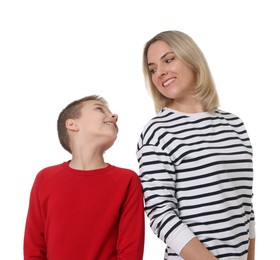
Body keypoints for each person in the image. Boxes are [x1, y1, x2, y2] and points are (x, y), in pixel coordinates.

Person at [136, 30, 255, 260]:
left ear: (191, 58)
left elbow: (246, 209)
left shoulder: (234, 125)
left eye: (168, 60)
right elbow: (161, 214)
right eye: (152, 69)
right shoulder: (158, 131)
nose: (160, 72)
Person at [24, 95, 145, 260]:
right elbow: (34, 249)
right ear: (72, 124)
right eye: (99, 109)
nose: (114, 116)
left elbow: (130, 253)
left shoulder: (127, 180)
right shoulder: (45, 179)